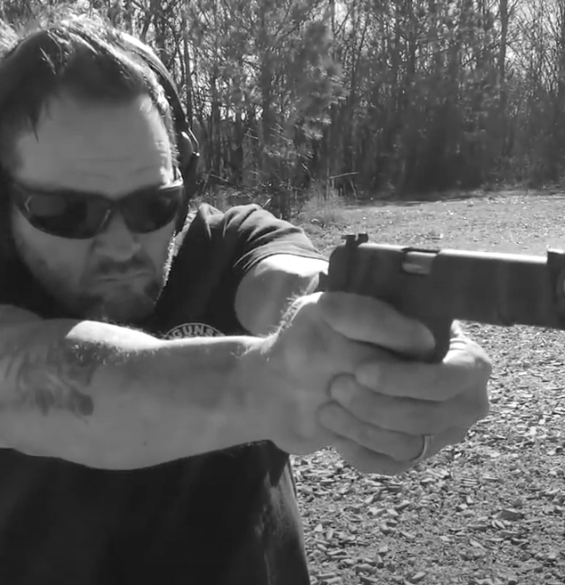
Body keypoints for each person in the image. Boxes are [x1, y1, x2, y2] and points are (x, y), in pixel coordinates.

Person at [0, 15, 491, 585]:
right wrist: (272, 381)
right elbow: (39, 380)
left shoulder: (229, 243)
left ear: (184, 181)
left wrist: (372, 329)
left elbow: (292, 283)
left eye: (152, 205)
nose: (121, 245)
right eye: (67, 212)